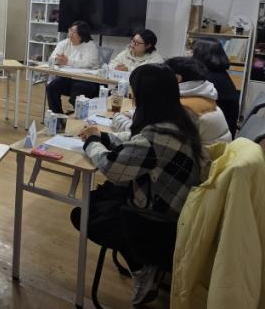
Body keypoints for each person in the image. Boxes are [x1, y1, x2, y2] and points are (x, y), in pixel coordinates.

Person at [74, 64, 204, 305]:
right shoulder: (180, 120)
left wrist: (92, 142)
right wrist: (102, 136)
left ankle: (144, 267)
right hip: (177, 212)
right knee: (99, 199)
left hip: (158, 224)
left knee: (83, 213)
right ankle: (146, 264)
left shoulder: (156, 136)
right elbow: (136, 143)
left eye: (134, 94)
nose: (132, 99)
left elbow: (112, 168)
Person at [165, 57, 232, 144]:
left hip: (203, 152)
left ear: (177, 78)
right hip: (218, 149)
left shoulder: (183, 107)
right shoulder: (205, 94)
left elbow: (168, 144)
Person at [46, 20, 99, 114]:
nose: (71, 33)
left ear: (82, 34)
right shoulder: (64, 43)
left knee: (77, 95)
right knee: (52, 87)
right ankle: (58, 117)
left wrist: (68, 61)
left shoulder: (90, 45)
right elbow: (52, 58)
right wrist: (57, 60)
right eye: (70, 30)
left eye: (74, 32)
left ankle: (81, 119)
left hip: (86, 80)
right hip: (68, 78)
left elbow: (88, 63)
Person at [191, 37, 239, 137]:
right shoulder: (218, 73)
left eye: (194, 52)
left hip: (216, 135)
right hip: (223, 129)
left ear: (201, 54)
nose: (191, 55)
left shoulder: (209, 78)